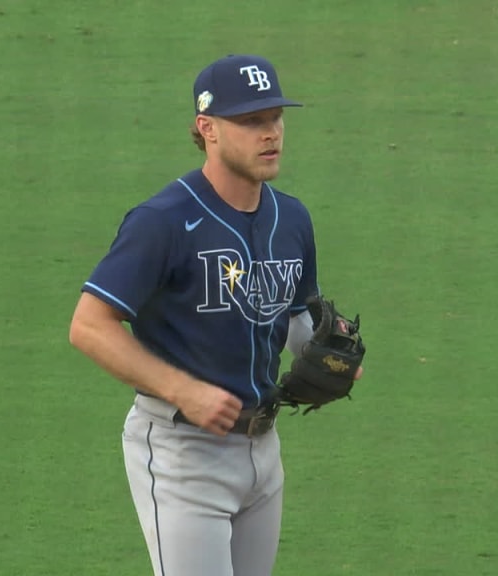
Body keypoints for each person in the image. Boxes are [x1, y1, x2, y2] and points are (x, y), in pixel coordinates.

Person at [68, 54, 362, 576]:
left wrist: (327, 353)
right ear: (208, 129)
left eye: (274, 117)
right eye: (250, 121)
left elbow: (292, 315)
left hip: (263, 452)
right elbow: (89, 325)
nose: (270, 133)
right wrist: (183, 389)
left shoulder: (292, 217)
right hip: (184, 454)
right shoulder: (162, 221)